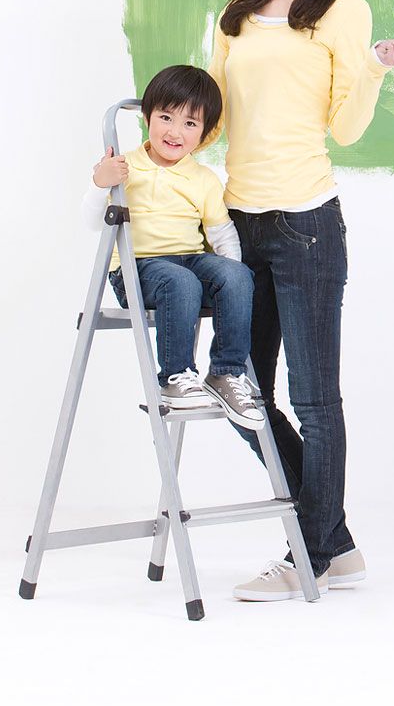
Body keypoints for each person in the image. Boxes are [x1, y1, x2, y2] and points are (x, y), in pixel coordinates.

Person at [207, 0, 394, 601]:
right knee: (238, 387)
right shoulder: (234, 12)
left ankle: (312, 553)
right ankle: (332, 537)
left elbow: (346, 126)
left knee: (315, 399)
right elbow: (215, 119)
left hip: (305, 225)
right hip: (236, 225)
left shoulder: (343, 11)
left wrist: (376, 72)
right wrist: (154, 137)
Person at [82, 64, 264, 431]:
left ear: (205, 133)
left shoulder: (203, 179)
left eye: (190, 124)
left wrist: (231, 281)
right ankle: (176, 376)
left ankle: (226, 373)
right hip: (139, 268)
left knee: (237, 273)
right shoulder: (124, 166)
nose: (175, 132)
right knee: (180, 281)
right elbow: (91, 223)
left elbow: (223, 233)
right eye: (166, 117)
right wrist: (100, 184)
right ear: (148, 116)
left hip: (191, 261)